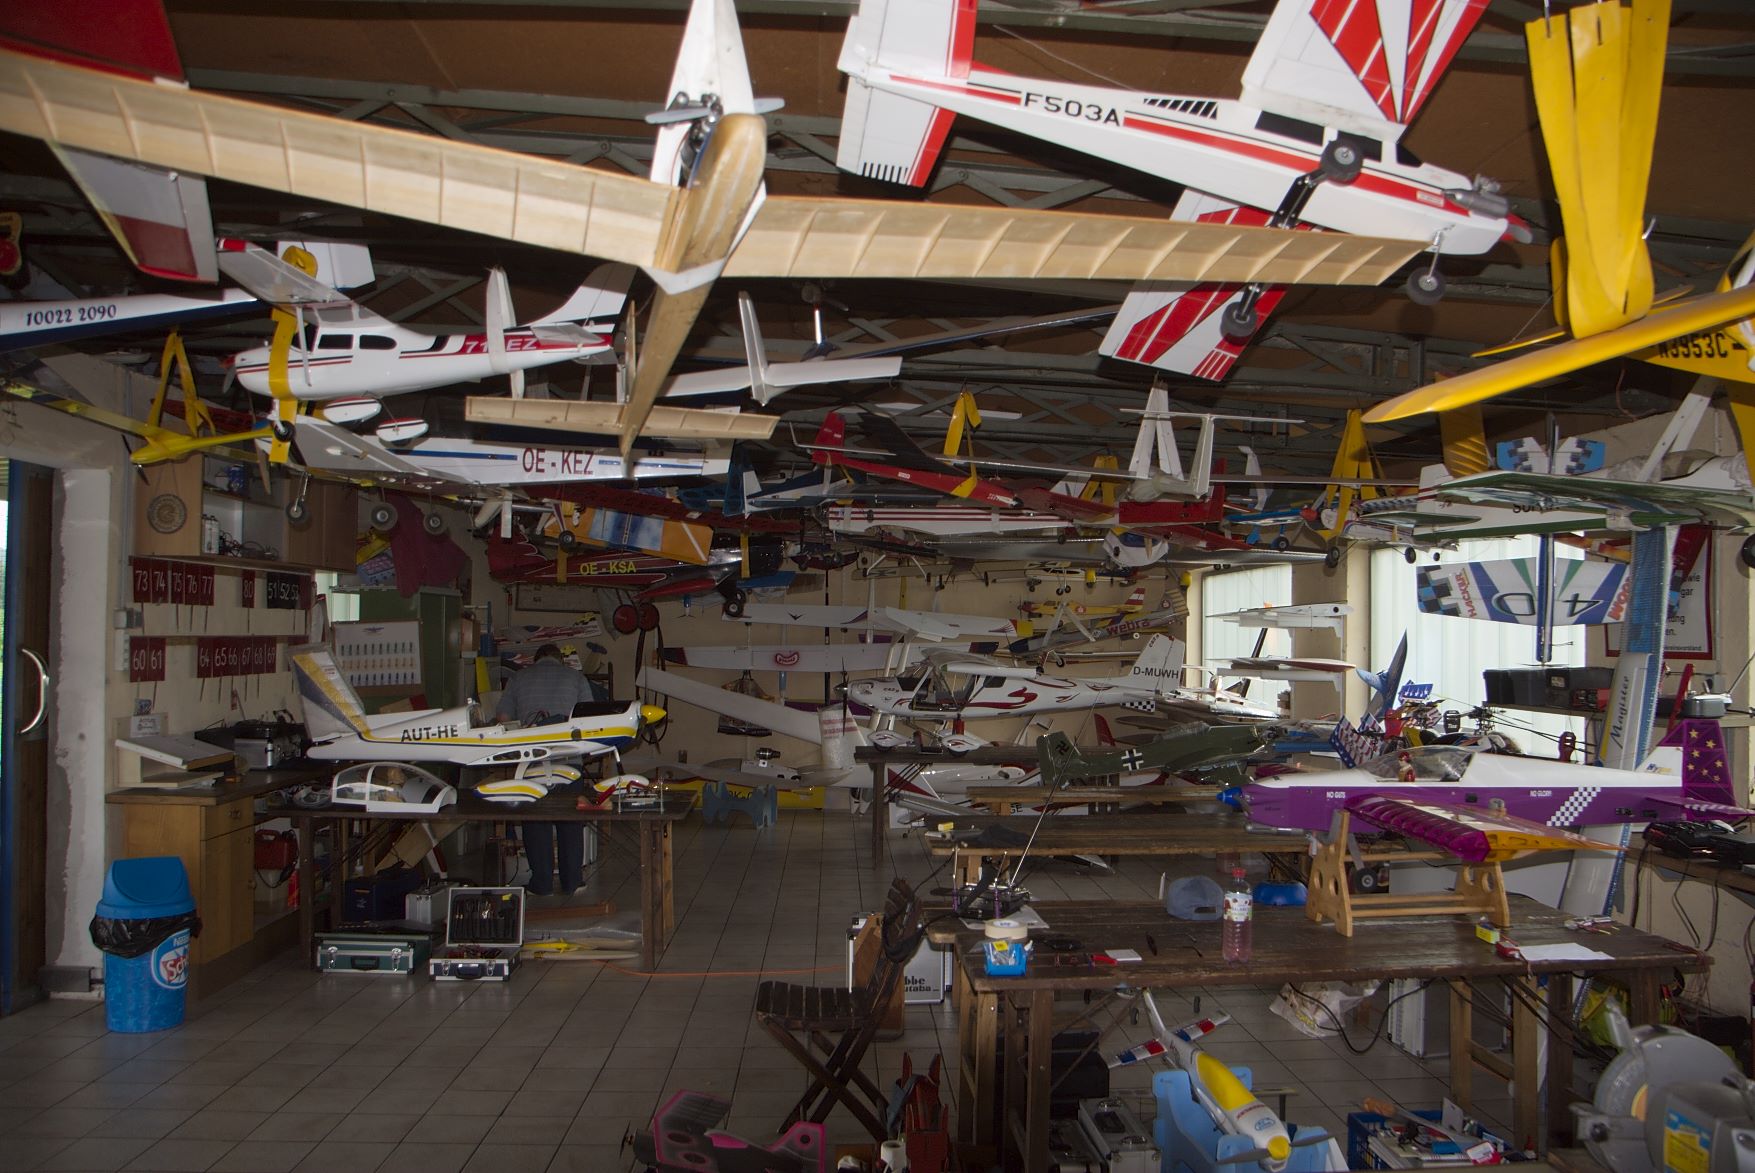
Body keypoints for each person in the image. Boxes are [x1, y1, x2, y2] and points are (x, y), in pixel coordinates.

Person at [494, 645, 605, 897]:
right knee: (570, 821)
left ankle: (542, 884)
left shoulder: (519, 678)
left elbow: (502, 718)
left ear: (536, 659)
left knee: (536, 822)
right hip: (569, 762)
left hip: (532, 762)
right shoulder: (576, 678)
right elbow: (589, 718)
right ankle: (572, 881)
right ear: (560, 660)